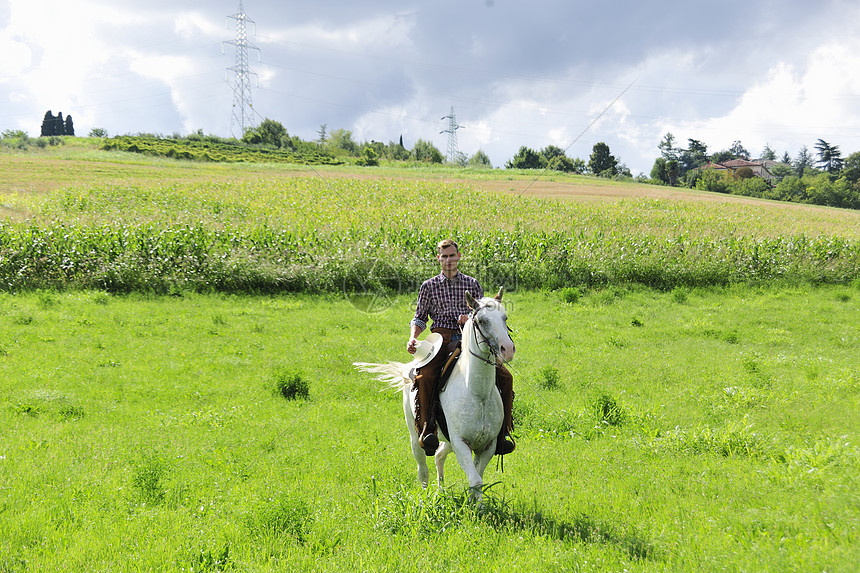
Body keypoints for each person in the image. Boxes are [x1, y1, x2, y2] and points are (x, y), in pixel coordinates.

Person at [407, 238, 515, 457]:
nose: (448, 260)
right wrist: (413, 338)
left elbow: (482, 312)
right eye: (444, 256)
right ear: (439, 259)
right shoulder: (429, 286)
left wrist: (471, 319)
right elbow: (419, 318)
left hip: (469, 338)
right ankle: (428, 430)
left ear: (458, 257)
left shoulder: (472, 284)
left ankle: (502, 434)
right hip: (440, 339)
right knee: (425, 376)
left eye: (452, 255)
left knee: (505, 377)